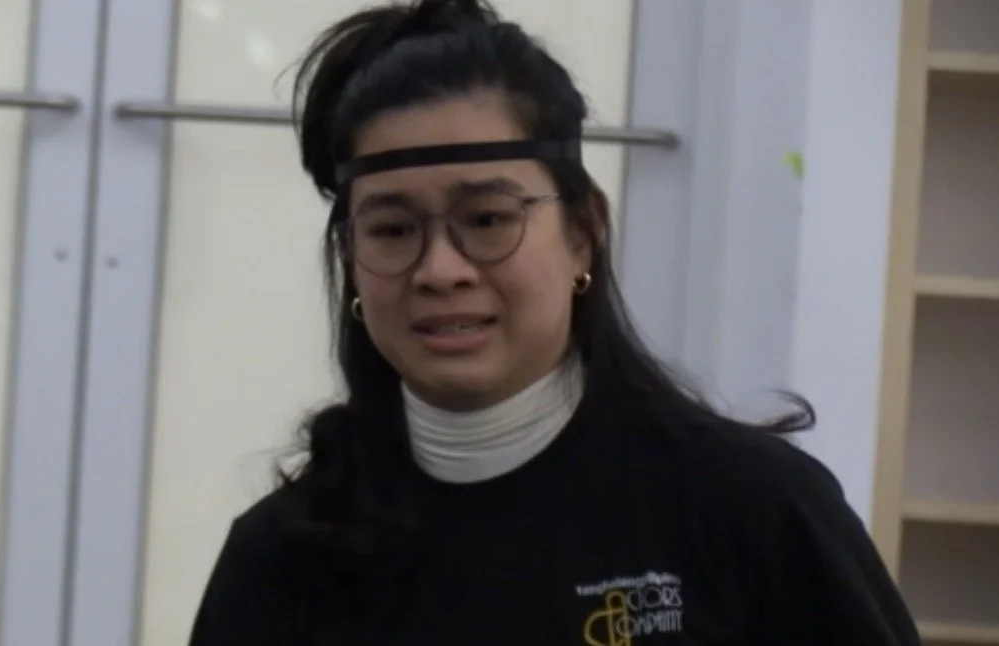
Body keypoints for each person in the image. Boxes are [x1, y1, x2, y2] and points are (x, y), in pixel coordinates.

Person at [188, 0, 922, 643]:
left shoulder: (752, 512)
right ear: (351, 258)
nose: (441, 268)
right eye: (391, 229)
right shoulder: (282, 558)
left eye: (487, 218)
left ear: (583, 234)